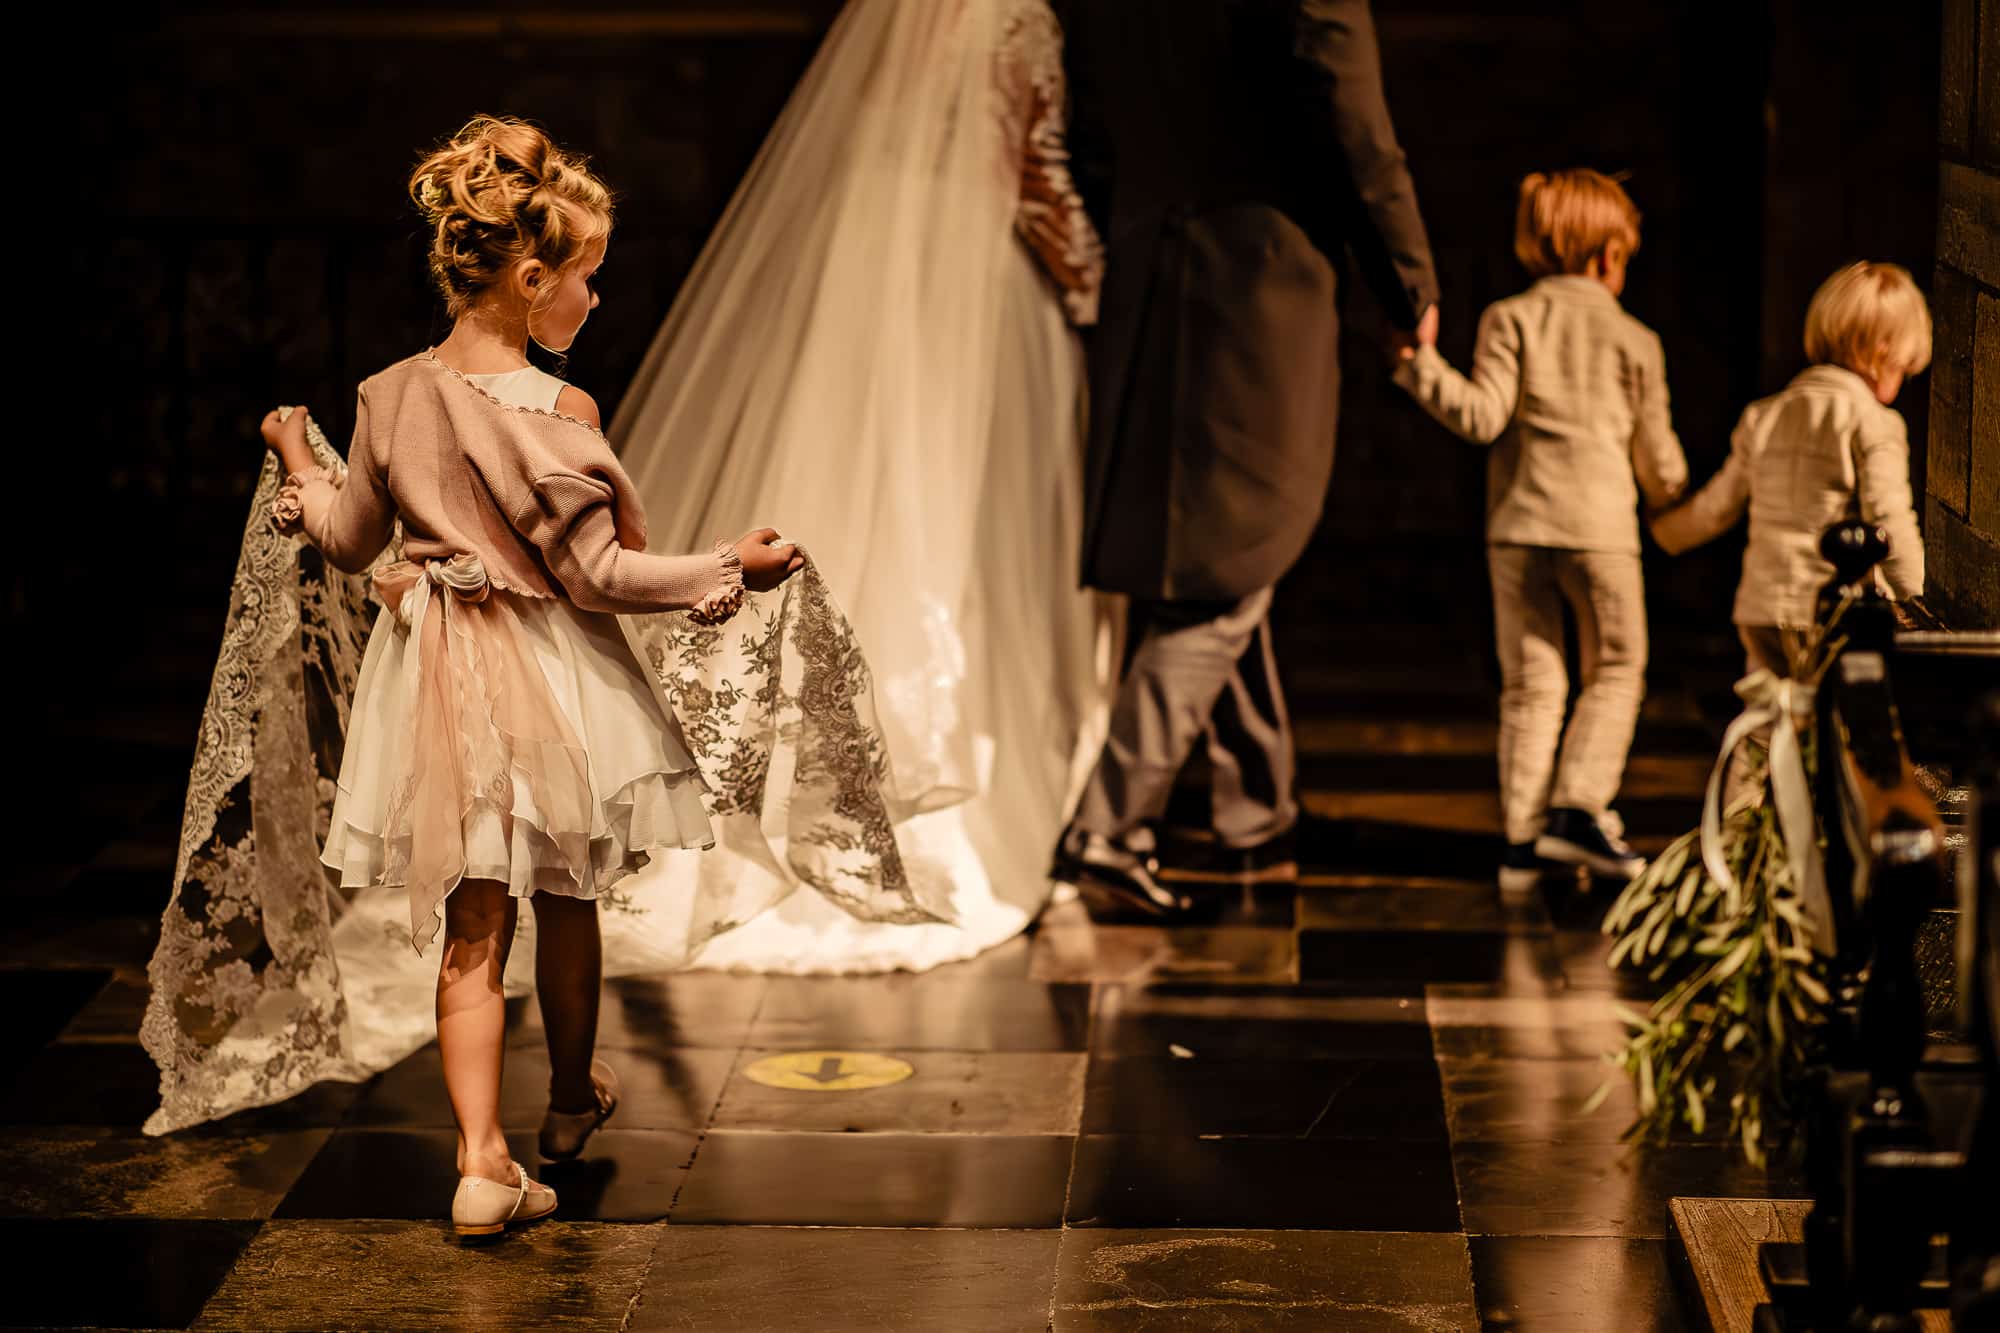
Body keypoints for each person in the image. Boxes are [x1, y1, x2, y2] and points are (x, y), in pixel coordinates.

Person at [173, 116, 806, 1236]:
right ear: (529, 279)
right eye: (586, 280)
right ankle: (566, 1099)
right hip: (552, 681)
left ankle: (479, 1159)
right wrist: (729, 566)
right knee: (565, 892)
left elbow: (353, 538)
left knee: (474, 921)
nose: (594, 302)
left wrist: (297, 462)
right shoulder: (561, 415)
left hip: (435, 683)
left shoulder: (384, 396)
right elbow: (598, 574)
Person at [608, 0, 1118, 972]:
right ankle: (915, 808)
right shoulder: (1016, 17)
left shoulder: (900, 19)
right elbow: (1032, 175)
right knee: (968, 535)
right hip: (981, 290)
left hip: (883, 280)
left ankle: (786, 790)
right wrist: (1096, 285)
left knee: (865, 495)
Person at [1052, 0, 1439, 916]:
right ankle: (1108, 832)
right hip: (1256, 278)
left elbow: (1090, 130)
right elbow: (1355, 123)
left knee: (1218, 547)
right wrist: (1406, 278)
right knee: (1229, 563)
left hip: (1153, 273)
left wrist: (1140, 229)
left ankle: (1254, 807)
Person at [1393, 168, 1688, 891]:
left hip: (1519, 529)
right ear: (1609, 256)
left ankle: (1521, 844)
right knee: (1616, 669)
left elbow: (1482, 416)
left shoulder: (1509, 318)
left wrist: (1418, 366)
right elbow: (1660, 463)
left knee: (1530, 683)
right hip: (1601, 534)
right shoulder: (1636, 339)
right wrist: (1678, 495)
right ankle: (1578, 809)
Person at [1651, 261, 1930, 803]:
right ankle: (1823, 861)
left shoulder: (1767, 414)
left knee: (1762, 729)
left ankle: (1735, 855)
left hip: (1760, 608)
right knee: (1842, 735)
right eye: (1904, 365)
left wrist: (1662, 535)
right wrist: (1917, 603)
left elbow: (1716, 507)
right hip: (1826, 617)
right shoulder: (1873, 422)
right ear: (1881, 355)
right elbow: (1890, 522)